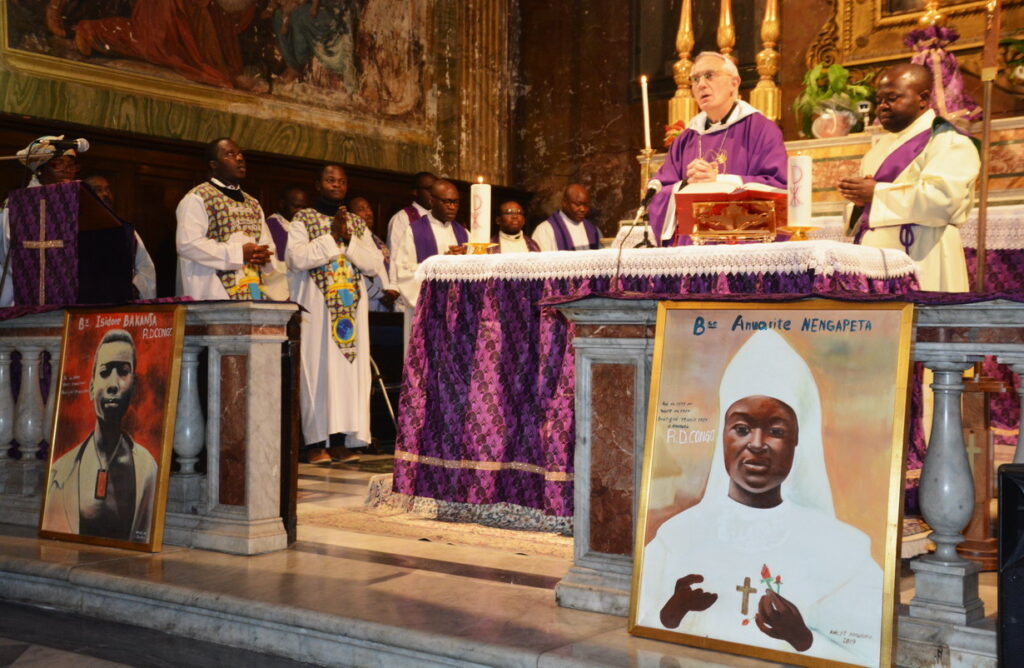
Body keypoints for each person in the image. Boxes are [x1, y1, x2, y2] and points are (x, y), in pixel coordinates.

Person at [636, 329, 883, 665]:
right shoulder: (676, 538)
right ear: (723, 437)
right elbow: (639, 631)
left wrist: (803, 638)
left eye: (776, 430)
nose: (756, 443)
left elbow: (867, 652)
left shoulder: (843, 551)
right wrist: (671, 612)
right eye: (741, 428)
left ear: (799, 441)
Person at [838, 63, 979, 292]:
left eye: (892, 98)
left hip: (925, 255)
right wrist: (858, 202)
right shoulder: (879, 149)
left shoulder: (949, 141)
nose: (882, 107)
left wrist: (875, 193)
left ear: (923, 98)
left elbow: (941, 202)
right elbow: (864, 215)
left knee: (924, 327)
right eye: (880, 100)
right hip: (875, 262)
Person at [287, 164, 387, 465]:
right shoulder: (303, 219)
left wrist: (349, 240)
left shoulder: (356, 223)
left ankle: (343, 441)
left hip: (350, 312)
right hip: (317, 309)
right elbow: (296, 258)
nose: (336, 185)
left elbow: (372, 264)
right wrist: (332, 239)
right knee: (317, 372)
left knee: (347, 375)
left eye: (342, 181)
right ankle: (316, 443)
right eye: (330, 180)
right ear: (317, 184)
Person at [646, 52, 788, 243]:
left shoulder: (761, 129)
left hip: (742, 250)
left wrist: (719, 180)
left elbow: (779, 186)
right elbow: (658, 193)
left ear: (734, 83)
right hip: (692, 252)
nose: (701, 84)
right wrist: (687, 185)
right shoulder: (686, 139)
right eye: (695, 79)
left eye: (709, 75)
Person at [41, 329, 158, 543]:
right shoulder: (60, 473)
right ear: (91, 386)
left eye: (123, 371)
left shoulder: (148, 471)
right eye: (105, 372)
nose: (113, 383)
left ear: (134, 386)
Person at [176, 137, 279, 300]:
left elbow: (268, 245)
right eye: (230, 154)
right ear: (213, 164)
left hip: (252, 290)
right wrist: (239, 253)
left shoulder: (253, 203)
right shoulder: (198, 197)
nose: (239, 159)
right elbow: (188, 244)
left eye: (240, 154)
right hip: (213, 293)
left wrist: (263, 255)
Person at [392, 178, 468, 310]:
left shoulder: (464, 234)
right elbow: (403, 271)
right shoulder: (414, 232)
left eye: (455, 202)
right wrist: (440, 264)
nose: (452, 206)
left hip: (456, 307)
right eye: (446, 201)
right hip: (426, 309)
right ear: (432, 201)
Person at [82, 175, 158, 300]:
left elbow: (145, 267)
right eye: (98, 190)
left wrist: (137, 287)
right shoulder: (74, 230)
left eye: (107, 189)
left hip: (120, 302)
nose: (106, 194)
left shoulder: (126, 230)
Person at [350, 196, 399, 311]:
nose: (368, 213)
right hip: (368, 302)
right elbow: (354, 272)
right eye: (361, 209)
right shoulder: (352, 241)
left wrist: (393, 289)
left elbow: (391, 266)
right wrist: (378, 294)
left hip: (387, 301)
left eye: (369, 208)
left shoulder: (378, 241)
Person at [263, 185, 309, 300]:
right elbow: (272, 267)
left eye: (304, 208)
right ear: (282, 204)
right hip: (282, 291)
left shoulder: (306, 226)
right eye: (297, 206)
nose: (301, 212)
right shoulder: (271, 226)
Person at [531, 184, 600, 251]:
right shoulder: (545, 230)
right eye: (578, 204)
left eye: (586, 205)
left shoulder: (593, 230)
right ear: (564, 203)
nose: (582, 209)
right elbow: (540, 261)